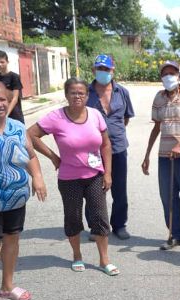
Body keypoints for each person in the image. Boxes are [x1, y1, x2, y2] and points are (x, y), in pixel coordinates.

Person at [27, 77, 119, 276]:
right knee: (73, 218)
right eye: (73, 93)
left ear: (87, 95)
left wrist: (108, 173)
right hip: (69, 179)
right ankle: (77, 256)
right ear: (66, 95)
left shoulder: (95, 115)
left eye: (82, 93)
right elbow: (30, 135)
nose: (77, 96)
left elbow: (106, 145)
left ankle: (104, 260)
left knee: (100, 218)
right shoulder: (56, 117)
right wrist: (53, 156)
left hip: (95, 175)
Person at [0, 81, 46, 300]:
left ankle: (7, 286)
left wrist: (37, 177)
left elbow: (30, 156)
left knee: (12, 239)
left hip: (17, 199)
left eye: (2, 99)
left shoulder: (17, 127)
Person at [141, 61, 180, 252]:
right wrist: (147, 155)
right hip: (164, 157)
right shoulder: (159, 97)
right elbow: (156, 127)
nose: (169, 76)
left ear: (178, 75)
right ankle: (175, 235)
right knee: (168, 197)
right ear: (161, 77)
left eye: (172, 73)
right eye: (165, 73)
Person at [86, 54, 135, 240]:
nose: (103, 72)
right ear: (93, 70)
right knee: (93, 190)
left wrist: (112, 133)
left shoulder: (122, 92)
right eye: (100, 69)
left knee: (119, 189)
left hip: (119, 148)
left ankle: (119, 224)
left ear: (113, 70)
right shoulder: (86, 93)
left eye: (106, 69)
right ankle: (96, 226)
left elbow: (126, 118)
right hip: (93, 150)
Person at [0, 50, 25, 124]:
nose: (0, 65)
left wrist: (6, 114)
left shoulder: (14, 77)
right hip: (2, 110)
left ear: (7, 62)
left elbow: (15, 98)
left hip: (14, 113)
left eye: (2, 62)